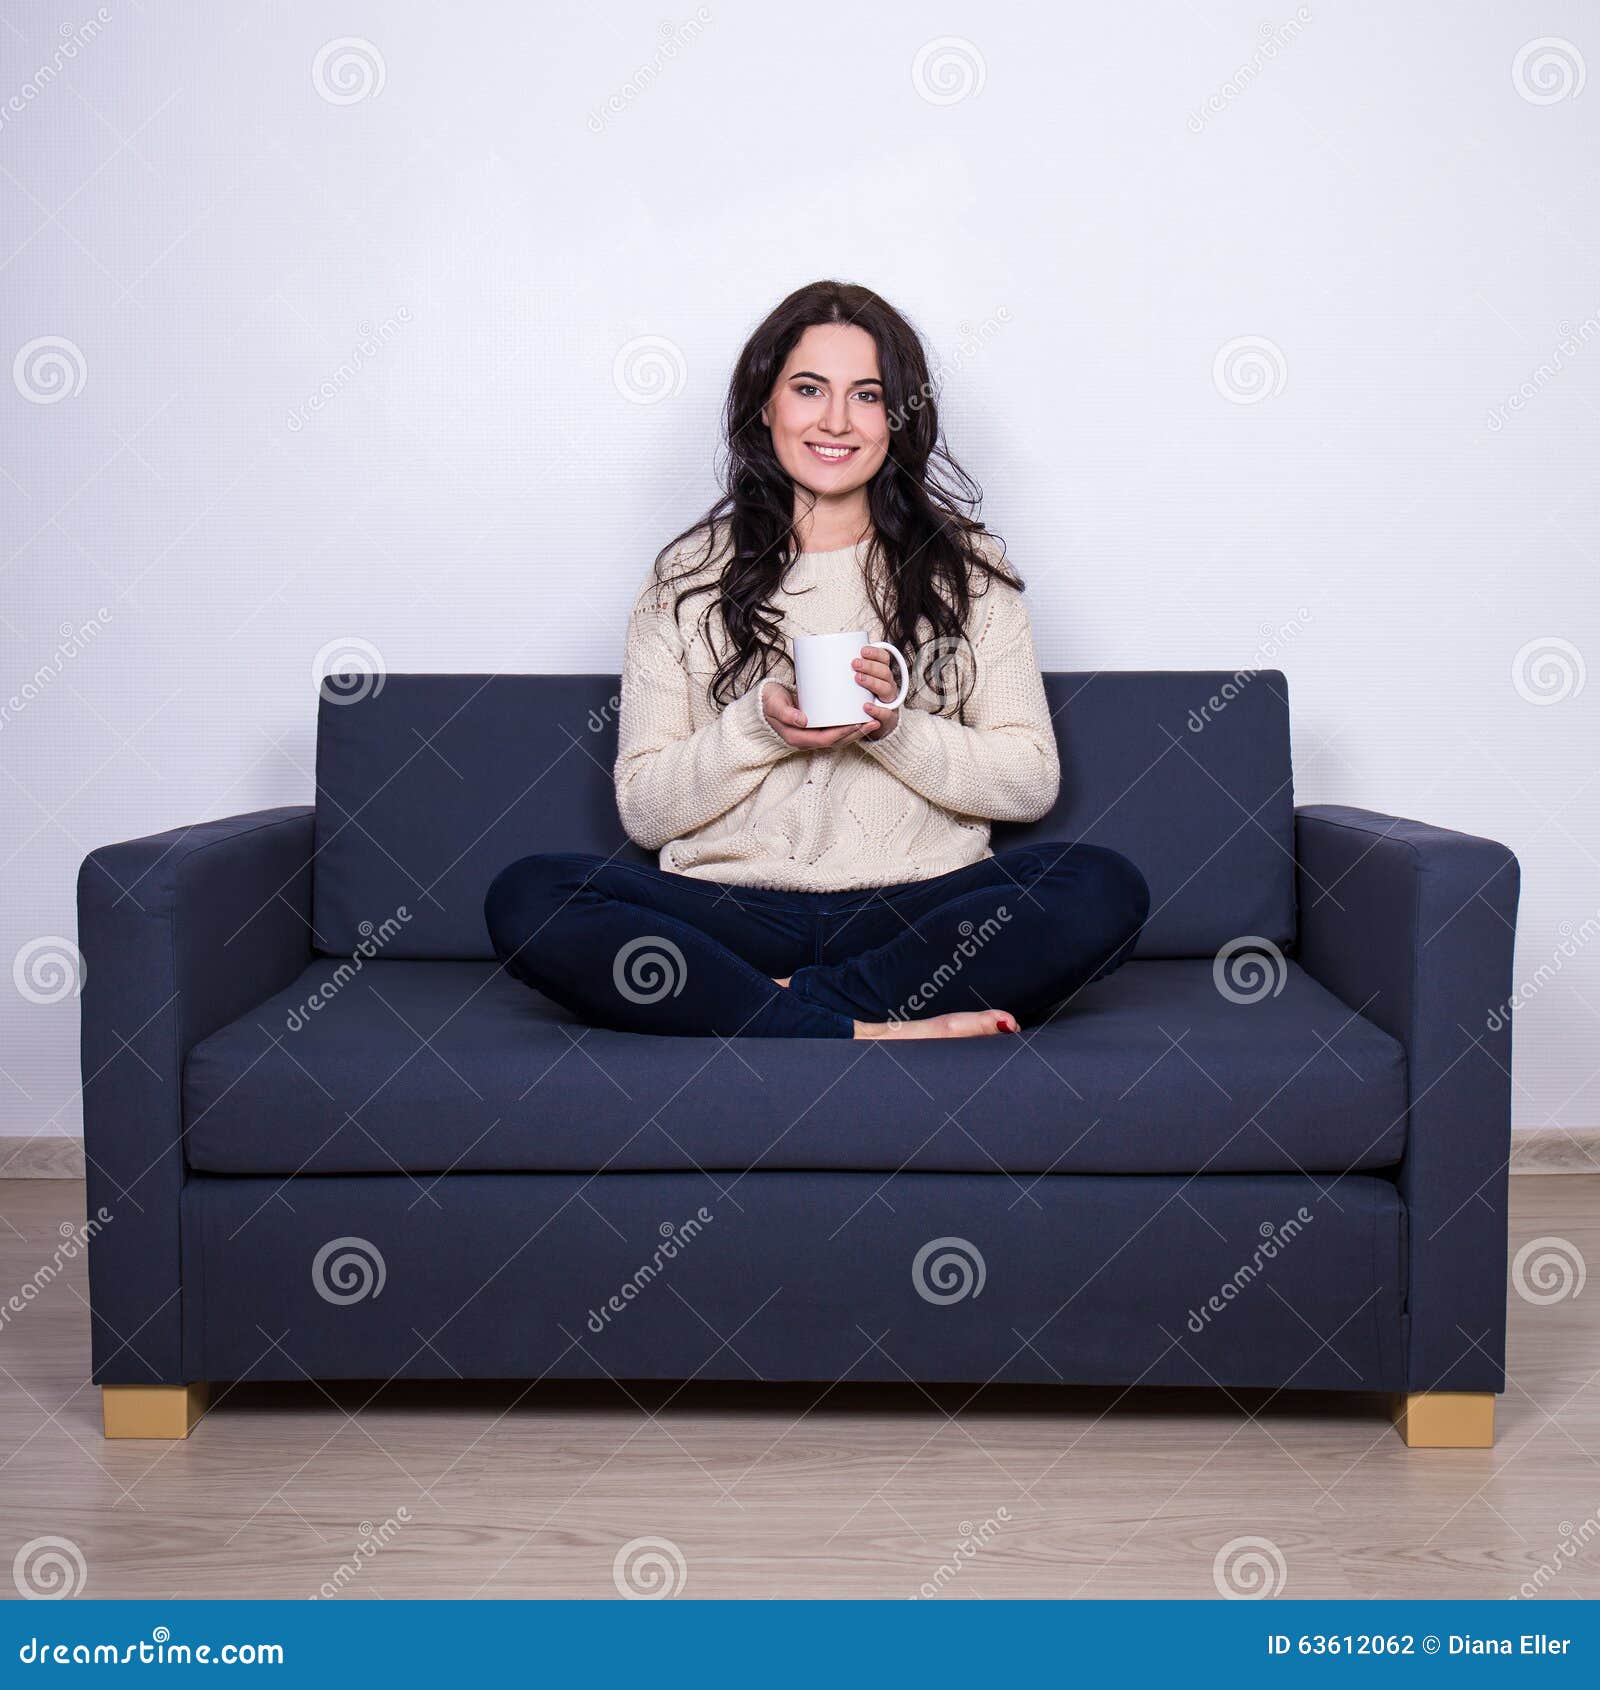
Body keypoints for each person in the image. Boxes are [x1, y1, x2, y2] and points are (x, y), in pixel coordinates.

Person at [486, 280, 1148, 1040]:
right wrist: (760, 728)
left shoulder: (967, 569)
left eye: (867, 395)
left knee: (1100, 889)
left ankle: (769, 1004)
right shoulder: (685, 580)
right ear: (765, 405)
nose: (836, 421)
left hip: (916, 904)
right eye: (808, 389)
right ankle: (874, 1023)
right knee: (529, 895)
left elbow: (1030, 781)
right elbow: (643, 808)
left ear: (898, 418)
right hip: (731, 910)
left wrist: (893, 730)